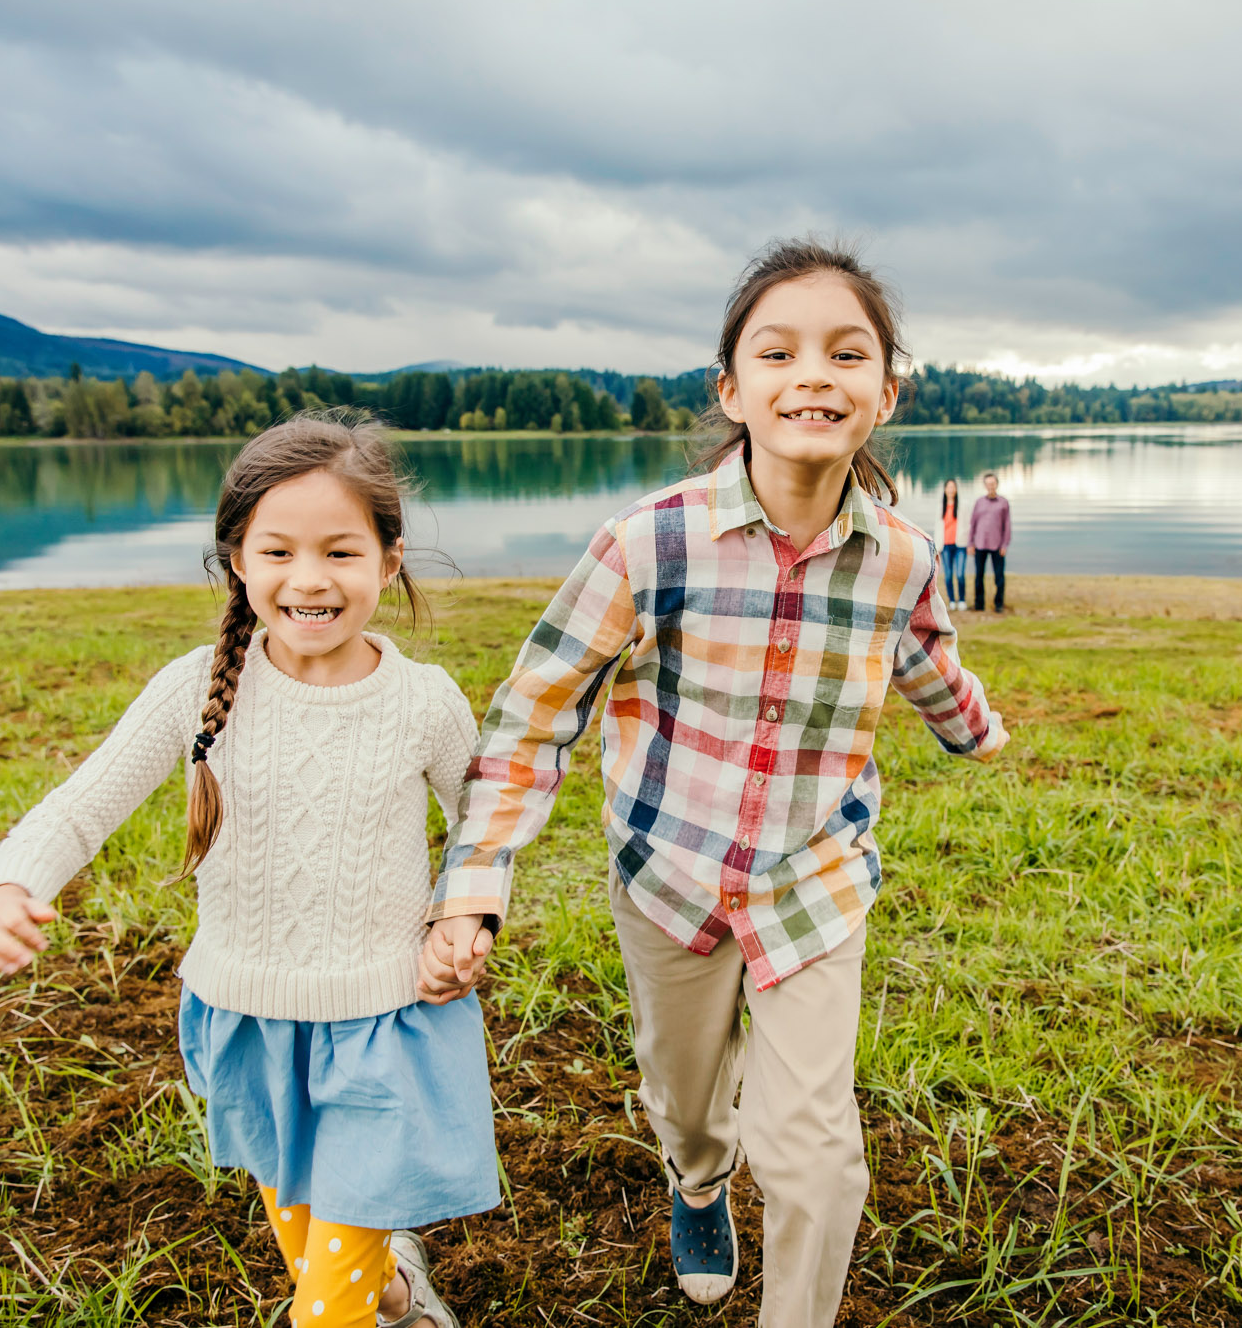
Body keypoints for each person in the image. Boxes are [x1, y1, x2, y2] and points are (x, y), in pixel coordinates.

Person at [421, 239, 1008, 1327]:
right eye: (778, 352)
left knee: (817, 1152)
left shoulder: (901, 557)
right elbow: (534, 716)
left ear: (887, 391)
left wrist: (973, 731)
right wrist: (475, 875)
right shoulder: (648, 543)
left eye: (846, 353)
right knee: (683, 1095)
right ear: (733, 387)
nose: (814, 376)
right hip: (671, 876)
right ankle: (697, 1181)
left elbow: (924, 652)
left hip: (813, 882)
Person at [0, 411, 493, 1328]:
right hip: (247, 1019)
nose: (309, 578)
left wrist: (463, 920)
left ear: (388, 560)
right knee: (316, 1249)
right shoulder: (194, 687)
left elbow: (485, 825)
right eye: (276, 549)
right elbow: (83, 804)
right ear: (237, 559)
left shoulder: (424, 703)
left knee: (323, 1312)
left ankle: (370, 1300)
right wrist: (7, 886)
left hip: (382, 1027)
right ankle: (399, 1293)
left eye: (341, 552)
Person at [969, 470, 1010, 613]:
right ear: (985, 486)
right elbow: (972, 524)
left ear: (997, 484)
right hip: (980, 544)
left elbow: (1007, 525)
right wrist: (970, 543)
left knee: (999, 576)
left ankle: (999, 604)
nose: (990, 486)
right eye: (988, 484)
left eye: (993, 483)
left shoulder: (1004, 503)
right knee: (979, 576)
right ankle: (979, 604)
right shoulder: (979, 502)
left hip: (997, 545)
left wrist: (1005, 544)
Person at [939, 478, 966, 608]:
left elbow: (968, 525)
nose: (951, 489)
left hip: (960, 545)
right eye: (948, 487)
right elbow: (938, 528)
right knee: (948, 575)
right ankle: (952, 600)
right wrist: (937, 546)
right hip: (945, 546)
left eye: (953, 487)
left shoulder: (962, 506)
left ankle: (962, 599)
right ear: (945, 490)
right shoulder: (940, 507)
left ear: (956, 490)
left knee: (960, 574)